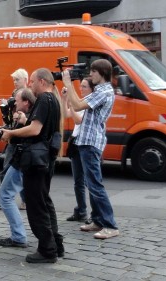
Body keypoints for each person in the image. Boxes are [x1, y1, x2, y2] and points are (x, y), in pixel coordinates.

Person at [1, 68, 64, 263]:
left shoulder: (44, 99)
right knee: (45, 202)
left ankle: (47, 250)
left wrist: (11, 133)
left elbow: (35, 129)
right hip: (47, 158)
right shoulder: (54, 100)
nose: (30, 85)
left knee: (36, 205)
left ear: (43, 82)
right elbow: (42, 128)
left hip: (36, 160)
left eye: (33, 82)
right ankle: (55, 244)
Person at [62, 59, 119, 239]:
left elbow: (78, 105)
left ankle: (110, 225)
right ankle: (97, 220)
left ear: (102, 73)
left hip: (91, 142)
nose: (91, 74)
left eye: (94, 72)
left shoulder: (105, 92)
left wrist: (68, 83)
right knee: (91, 183)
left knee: (95, 185)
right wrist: (67, 93)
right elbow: (77, 103)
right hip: (86, 141)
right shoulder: (101, 91)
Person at [0, 88, 36, 248]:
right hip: (27, 159)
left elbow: (33, 132)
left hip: (24, 159)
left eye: (17, 100)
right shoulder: (30, 112)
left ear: (26, 101)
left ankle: (19, 236)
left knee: (5, 195)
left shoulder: (31, 116)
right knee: (38, 200)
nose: (15, 102)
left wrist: (16, 129)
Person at [61, 78, 94, 223]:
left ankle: (94, 213)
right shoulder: (81, 101)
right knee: (78, 181)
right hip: (76, 142)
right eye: (81, 86)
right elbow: (66, 114)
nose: (81, 89)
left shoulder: (90, 102)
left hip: (87, 144)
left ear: (92, 89)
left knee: (90, 182)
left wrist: (73, 105)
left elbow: (78, 120)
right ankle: (81, 211)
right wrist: (64, 99)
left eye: (85, 86)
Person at [0, 68, 28, 210]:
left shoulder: (27, 95)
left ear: (25, 80)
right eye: (14, 80)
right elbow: (12, 117)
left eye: (17, 79)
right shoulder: (14, 94)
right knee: (15, 169)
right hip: (13, 131)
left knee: (10, 168)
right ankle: (22, 200)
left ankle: (4, 198)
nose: (15, 82)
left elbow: (23, 116)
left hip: (18, 135)